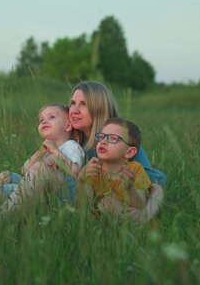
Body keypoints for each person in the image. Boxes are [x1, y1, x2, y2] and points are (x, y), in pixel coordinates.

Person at [68, 81, 165, 222]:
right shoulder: (70, 140)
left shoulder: (120, 140)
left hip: (130, 195)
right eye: (72, 103)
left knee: (156, 189)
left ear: (100, 108)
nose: (74, 110)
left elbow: (150, 182)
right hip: (92, 200)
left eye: (83, 104)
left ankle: (143, 218)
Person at [78, 117, 151, 218]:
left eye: (113, 138)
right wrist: (81, 180)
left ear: (129, 152)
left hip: (131, 221)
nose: (103, 142)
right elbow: (83, 207)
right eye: (102, 137)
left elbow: (141, 206)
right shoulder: (92, 169)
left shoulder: (134, 169)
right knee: (107, 202)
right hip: (100, 225)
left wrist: (130, 188)